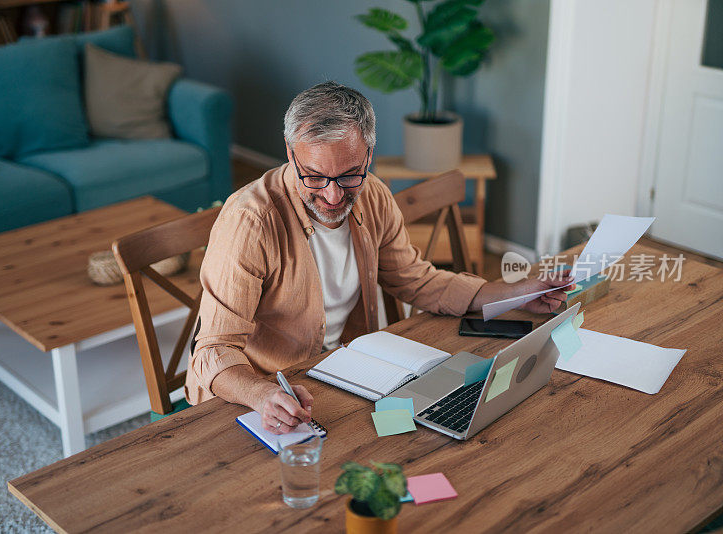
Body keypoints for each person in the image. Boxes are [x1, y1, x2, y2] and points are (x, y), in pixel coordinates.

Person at [185, 81, 573, 434]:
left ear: (369, 153)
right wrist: (261, 394)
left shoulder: (373, 195)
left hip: (342, 377)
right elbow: (213, 351)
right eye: (315, 176)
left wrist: (515, 294)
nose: (334, 197)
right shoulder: (250, 223)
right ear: (290, 153)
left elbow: (417, 280)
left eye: (350, 174)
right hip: (263, 396)